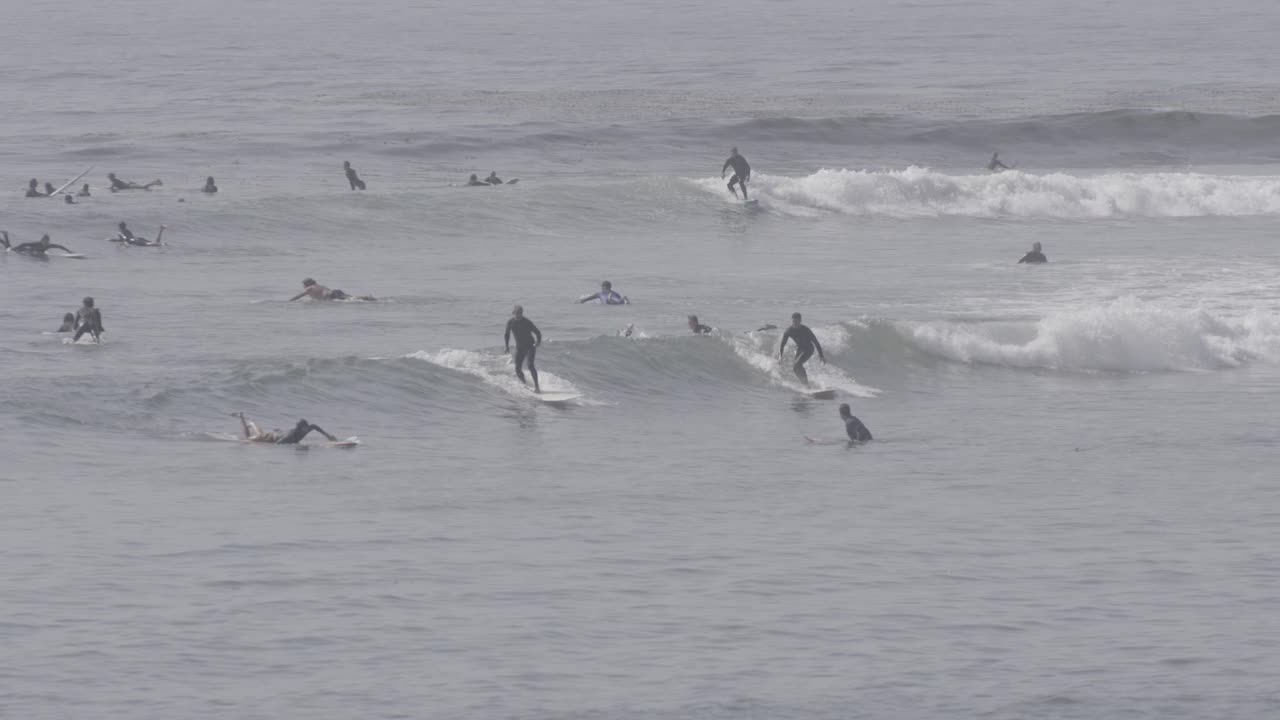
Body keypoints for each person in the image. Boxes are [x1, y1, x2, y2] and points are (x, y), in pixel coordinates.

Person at [231, 412, 338, 445]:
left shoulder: (308, 428)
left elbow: (315, 427)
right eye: (305, 429)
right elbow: (277, 444)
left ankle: (253, 423)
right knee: (248, 438)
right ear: (301, 429)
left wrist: (327, 436)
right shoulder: (290, 437)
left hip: (278, 432)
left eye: (307, 428)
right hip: (271, 436)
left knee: (258, 434)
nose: (307, 430)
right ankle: (242, 417)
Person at [779, 312, 825, 385]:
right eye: (793, 321)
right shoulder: (789, 331)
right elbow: (782, 344)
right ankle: (804, 384)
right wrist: (780, 356)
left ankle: (806, 385)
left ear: (800, 321)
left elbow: (816, 342)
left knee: (797, 365)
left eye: (796, 321)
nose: (795, 323)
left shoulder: (806, 330)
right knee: (795, 368)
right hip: (800, 349)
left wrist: (821, 356)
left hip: (809, 349)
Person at [504, 305, 543, 392]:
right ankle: (524, 384)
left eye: (520, 313)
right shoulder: (510, 322)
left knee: (530, 365)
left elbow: (538, 333)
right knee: (517, 368)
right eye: (517, 313)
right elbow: (507, 335)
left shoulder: (527, 322)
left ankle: (537, 387)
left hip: (530, 346)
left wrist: (538, 342)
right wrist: (507, 346)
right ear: (513, 313)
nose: (519, 315)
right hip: (520, 347)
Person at [288, 278, 375, 302]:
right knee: (352, 298)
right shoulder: (319, 286)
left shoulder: (310, 288)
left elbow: (299, 296)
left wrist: (289, 301)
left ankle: (366, 298)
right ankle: (367, 298)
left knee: (352, 300)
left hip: (332, 295)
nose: (303, 286)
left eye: (303, 285)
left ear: (306, 284)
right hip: (335, 292)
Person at [2, 232, 74, 257]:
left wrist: (69, 251)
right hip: (22, 250)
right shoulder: (37, 243)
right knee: (8, 248)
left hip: (30, 251)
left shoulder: (48, 245)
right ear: (42, 240)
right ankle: (5, 235)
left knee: (8, 247)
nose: (45, 243)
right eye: (44, 241)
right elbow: (24, 244)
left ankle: (4, 236)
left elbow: (60, 247)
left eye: (47, 241)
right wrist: (16, 248)